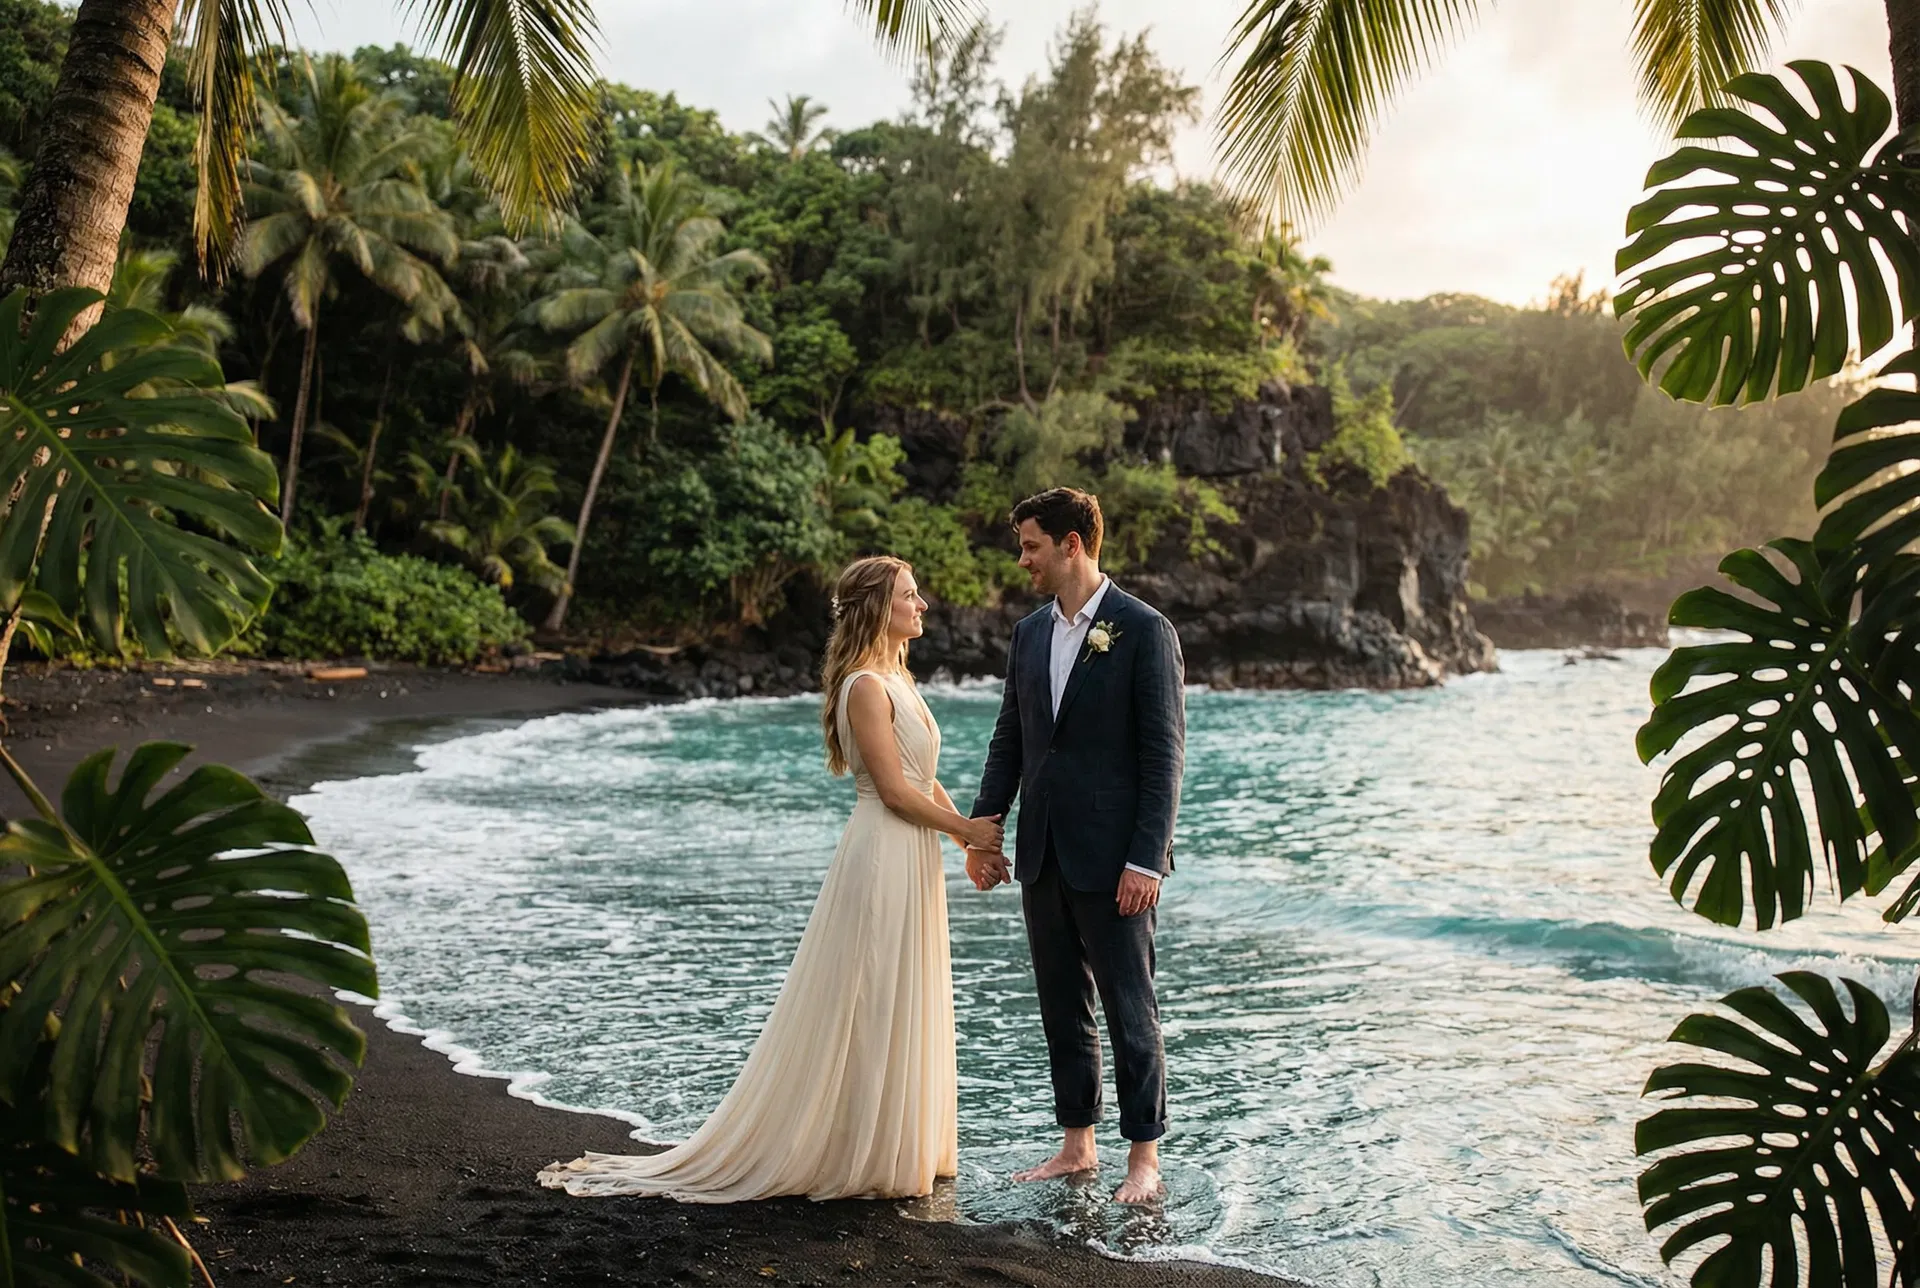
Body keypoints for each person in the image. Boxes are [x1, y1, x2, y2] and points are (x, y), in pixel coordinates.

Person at [536, 555, 1002, 1202]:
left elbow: (923, 781)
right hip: (882, 855)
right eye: (910, 595)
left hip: (912, 854)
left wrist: (963, 839)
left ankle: (897, 1141)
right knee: (869, 998)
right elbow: (894, 793)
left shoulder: (897, 676)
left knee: (898, 991)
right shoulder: (866, 685)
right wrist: (974, 833)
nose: (922, 605)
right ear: (878, 607)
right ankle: (858, 1151)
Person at [965, 486, 1186, 1206]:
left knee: (1130, 1008)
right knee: (1062, 1006)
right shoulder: (1029, 634)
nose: (1021, 558)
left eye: (1031, 544)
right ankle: (1076, 1146)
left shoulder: (1143, 629)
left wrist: (1146, 858)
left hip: (1117, 860)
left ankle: (1144, 1157)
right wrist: (984, 827)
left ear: (1072, 544)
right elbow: (1012, 739)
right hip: (1043, 855)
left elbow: (1164, 757)